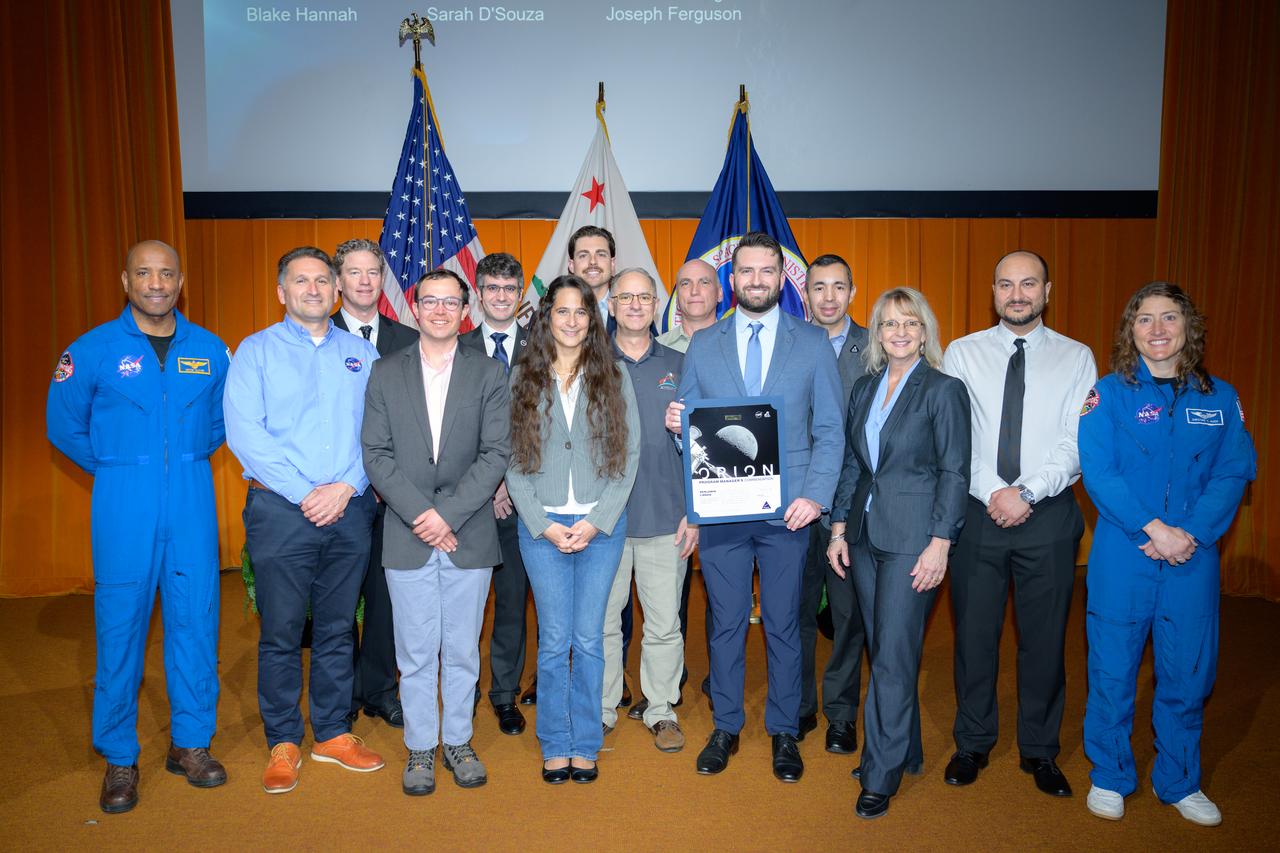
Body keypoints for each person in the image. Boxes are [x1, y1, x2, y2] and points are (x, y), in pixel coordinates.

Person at [47, 240, 231, 814]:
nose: (157, 282)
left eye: (167, 273)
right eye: (144, 273)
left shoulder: (210, 350)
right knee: (120, 625)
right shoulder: (92, 350)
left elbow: (223, 421)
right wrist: (122, 465)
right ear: (124, 280)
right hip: (123, 500)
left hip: (193, 499)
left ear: (182, 281)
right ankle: (120, 756)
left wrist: (181, 462)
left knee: (196, 618)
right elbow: (63, 426)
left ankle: (191, 743)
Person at [665, 231, 844, 783]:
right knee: (724, 623)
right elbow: (692, 427)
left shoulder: (812, 343)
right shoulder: (704, 343)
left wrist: (815, 496)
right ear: (732, 279)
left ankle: (784, 730)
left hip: (789, 514)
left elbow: (831, 430)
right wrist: (679, 427)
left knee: (786, 624)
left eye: (768, 271)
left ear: (780, 278)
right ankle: (726, 725)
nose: (757, 280)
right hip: (722, 512)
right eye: (747, 271)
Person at [1078, 281, 1255, 826]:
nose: (1157, 329)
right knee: (1112, 669)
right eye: (1145, 319)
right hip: (1124, 555)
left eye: (1169, 318)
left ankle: (1179, 780)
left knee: (1187, 672)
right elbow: (1099, 472)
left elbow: (1232, 472)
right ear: (1130, 330)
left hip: (1191, 559)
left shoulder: (1219, 398)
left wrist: (1190, 534)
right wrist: (1152, 528)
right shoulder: (1108, 394)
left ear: (1188, 328)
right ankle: (1109, 774)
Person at [224, 246, 384, 795]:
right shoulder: (254, 352)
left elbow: (379, 433)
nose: (313, 290)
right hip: (279, 511)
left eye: (322, 280)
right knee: (282, 631)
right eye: (301, 281)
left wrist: (346, 486)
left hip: (349, 507)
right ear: (281, 292)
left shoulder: (361, 355)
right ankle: (284, 740)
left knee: (340, 628)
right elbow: (246, 434)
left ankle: (334, 734)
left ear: (337, 289)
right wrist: (305, 493)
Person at [941, 250, 1096, 798]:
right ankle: (973, 741)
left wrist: (1027, 492)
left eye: (1028, 283)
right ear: (993, 291)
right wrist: (995, 492)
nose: (1017, 294)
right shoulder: (962, 353)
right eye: (1006, 284)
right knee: (974, 638)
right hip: (978, 515)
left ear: (1047, 291)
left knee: (1045, 640)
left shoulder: (1077, 357)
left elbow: (1079, 442)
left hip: (1048, 517)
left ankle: (1040, 749)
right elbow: (954, 438)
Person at [362, 269, 511, 796]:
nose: (441, 311)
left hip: (468, 531)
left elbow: (497, 452)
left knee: (463, 648)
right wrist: (422, 515)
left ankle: (459, 742)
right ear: (415, 308)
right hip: (406, 533)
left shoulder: (490, 373)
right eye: (431, 301)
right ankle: (421, 747)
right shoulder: (384, 372)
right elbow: (376, 454)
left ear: (464, 308)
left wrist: (446, 516)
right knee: (417, 649)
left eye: (451, 302)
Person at [827, 287, 971, 819]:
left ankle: (879, 773)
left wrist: (941, 543)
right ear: (878, 333)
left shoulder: (944, 389)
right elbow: (852, 463)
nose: (900, 332)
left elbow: (956, 472)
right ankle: (903, 748)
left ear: (925, 330)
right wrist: (838, 528)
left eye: (910, 323)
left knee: (892, 654)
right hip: (864, 536)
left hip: (915, 540)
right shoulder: (865, 388)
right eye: (889, 324)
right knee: (886, 647)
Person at [506, 274, 640, 784]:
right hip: (541, 528)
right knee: (554, 637)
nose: (571, 320)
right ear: (547, 318)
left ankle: (585, 742)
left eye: (580, 312)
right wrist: (541, 524)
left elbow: (629, 456)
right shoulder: (523, 376)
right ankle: (554, 742)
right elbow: (513, 460)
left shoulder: (615, 375)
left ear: (592, 319)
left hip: (600, 528)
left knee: (587, 639)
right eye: (561, 311)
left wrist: (596, 520)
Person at [601, 268, 697, 752]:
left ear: (657, 304)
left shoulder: (683, 364)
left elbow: (707, 449)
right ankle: (601, 710)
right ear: (611, 305)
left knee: (664, 624)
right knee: (602, 623)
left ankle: (661, 710)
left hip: (667, 519)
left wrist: (695, 511)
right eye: (626, 297)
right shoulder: (590, 363)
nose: (635, 305)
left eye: (644, 297)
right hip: (605, 522)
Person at [331, 237, 419, 730]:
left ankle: (380, 689)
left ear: (383, 279)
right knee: (341, 602)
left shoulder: (408, 339)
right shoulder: (318, 336)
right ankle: (339, 695)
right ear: (338, 279)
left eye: (372, 272)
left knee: (386, 600)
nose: (365, 281)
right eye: (354, 272)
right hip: (340, 495)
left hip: (394, 496)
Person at [798, 253, 870, 753]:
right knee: (794, 613)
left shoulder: (880, 345)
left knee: (848, 618)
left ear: (853, 293)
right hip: (798, 505)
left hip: (854, 508)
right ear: (806, 293)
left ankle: (841, 713)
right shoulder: (790, 343)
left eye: (838, 287)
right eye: (818, 287)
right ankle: (799, 706)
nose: (828, 297)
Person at [459, 252, 532, 735]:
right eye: (492, 288)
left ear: (521, 294)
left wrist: (509, 481)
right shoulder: (453, 346)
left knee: (511, 602)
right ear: (478, 293)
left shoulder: (546, 346)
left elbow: (548, 425)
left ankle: (504, 694)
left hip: (525, 499)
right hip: (465, 500)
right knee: (464, 609)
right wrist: (487, 487)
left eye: (509, 289)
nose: (501, 297)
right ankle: (460, 697)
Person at [658, 257, 723, 712]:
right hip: (672, 491)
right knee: (671, 594)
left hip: (728, 489)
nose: (696, 291)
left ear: (722, 293)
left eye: (705, 283)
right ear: (676, 294)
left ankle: (723, 676)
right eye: (686, 284)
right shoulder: (659, 348)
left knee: (723, 592)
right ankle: (670, 676)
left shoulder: (738, 345)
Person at [567, 225, 617, 328]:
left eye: (601, 254)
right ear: (571, 265)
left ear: (612, 264)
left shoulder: (633, 313)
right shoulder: (548, 314)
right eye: (583, 255)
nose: (593, 261)